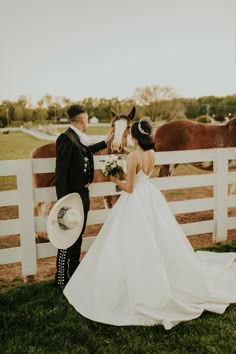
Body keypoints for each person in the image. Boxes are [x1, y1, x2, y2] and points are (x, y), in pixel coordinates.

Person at [63, 117, 236, 330]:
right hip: (151, 195)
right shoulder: (153, 153)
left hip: (136, 198)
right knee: (159, 233)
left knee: (128, 237)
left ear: (134, 137)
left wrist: (115, 179)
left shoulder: (134, 157)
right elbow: (144, 178)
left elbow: (129, 188)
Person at [55, 104, 113, 290]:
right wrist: (63, 205)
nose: (88, 122)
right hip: (71, 197)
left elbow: (86, 152)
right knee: (66, 236)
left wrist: (106, 141)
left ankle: (74, 272)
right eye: (87, 119)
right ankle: (61, 278)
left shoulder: (76, 138)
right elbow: (61, 174)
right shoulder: (66, 139)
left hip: (82, 195)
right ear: (82, 120)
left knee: (78, 235)